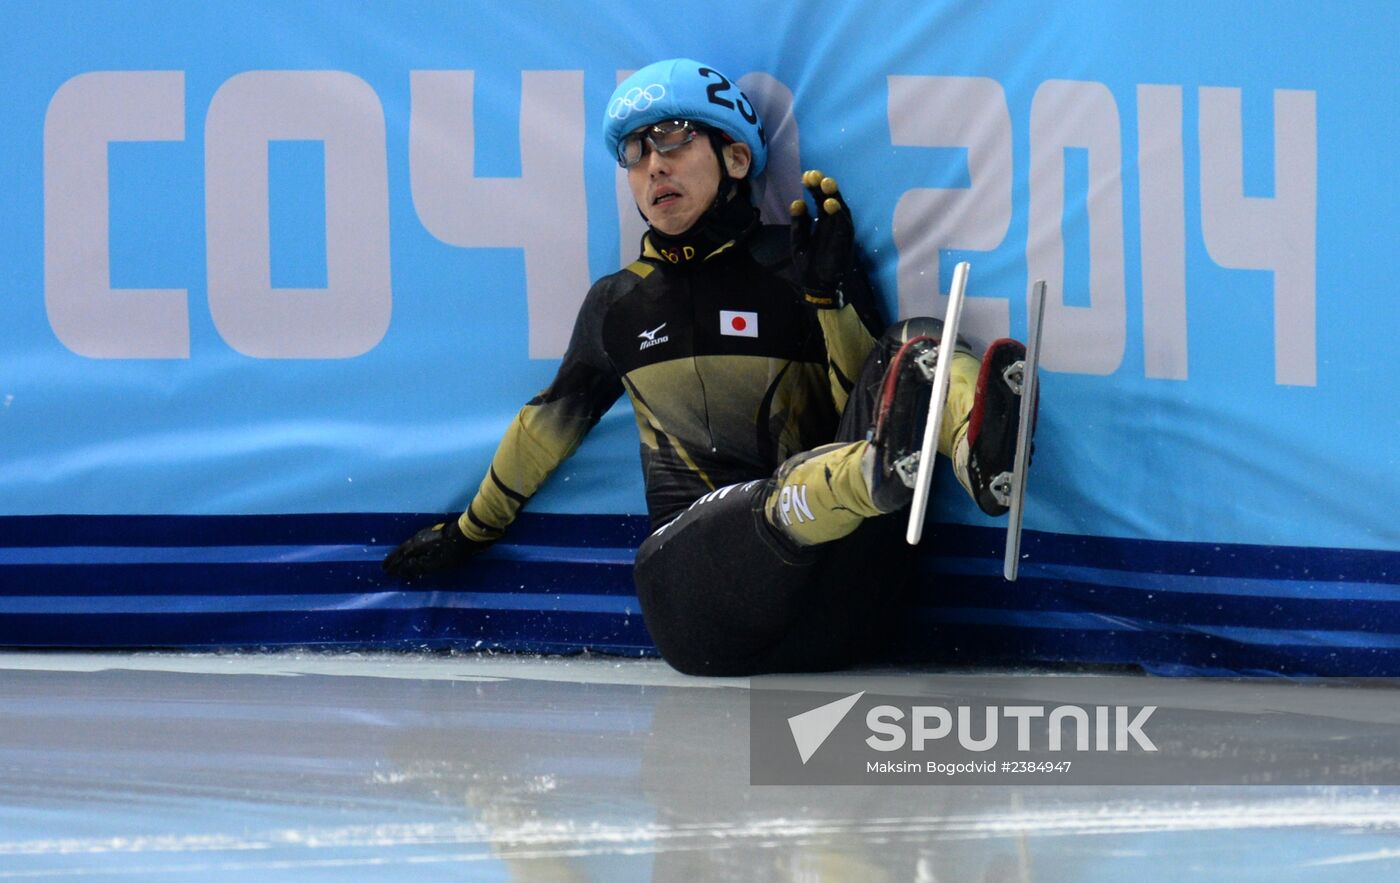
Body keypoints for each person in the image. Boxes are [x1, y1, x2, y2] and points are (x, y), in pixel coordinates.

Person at [383, 58, 1034, 676]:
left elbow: (867, 398)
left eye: (672, 138)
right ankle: (866, 476)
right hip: (705, 610)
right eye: (634, 152)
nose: (653, 166)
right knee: (755, 502)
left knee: (916, 344)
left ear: (737, 157)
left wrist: (830, 301)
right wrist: (472, 530)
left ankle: (981, 453)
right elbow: (550, 421)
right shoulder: (619, 303)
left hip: (847, 603)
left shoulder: (800, 259)